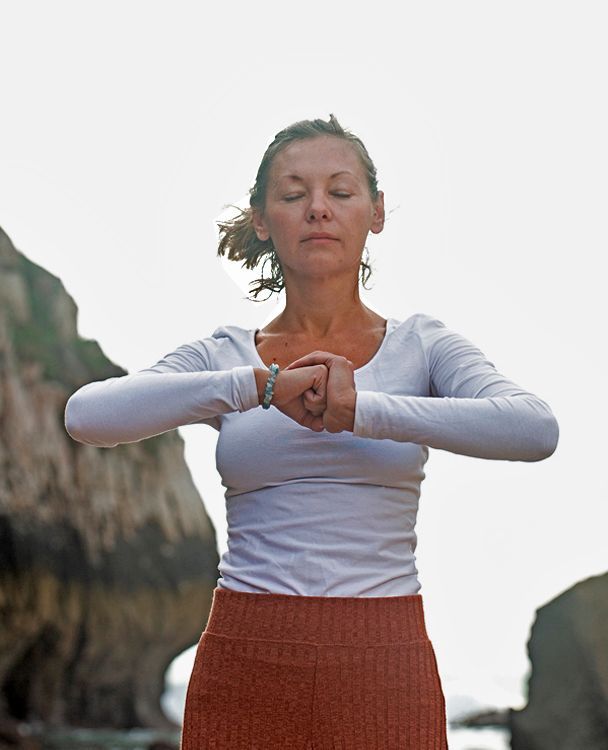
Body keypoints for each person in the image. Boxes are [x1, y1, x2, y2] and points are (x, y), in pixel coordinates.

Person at [64, 114, 559, 750]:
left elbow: (533, 428)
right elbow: (88, 416)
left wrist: (364, 410)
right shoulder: (225, 356)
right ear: (262, 219)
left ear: (375, 213)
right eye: (294, 194)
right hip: (244, 659)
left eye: (341, 192)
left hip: (386, 662)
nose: (318, 209)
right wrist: (257, 385)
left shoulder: (423, 346)